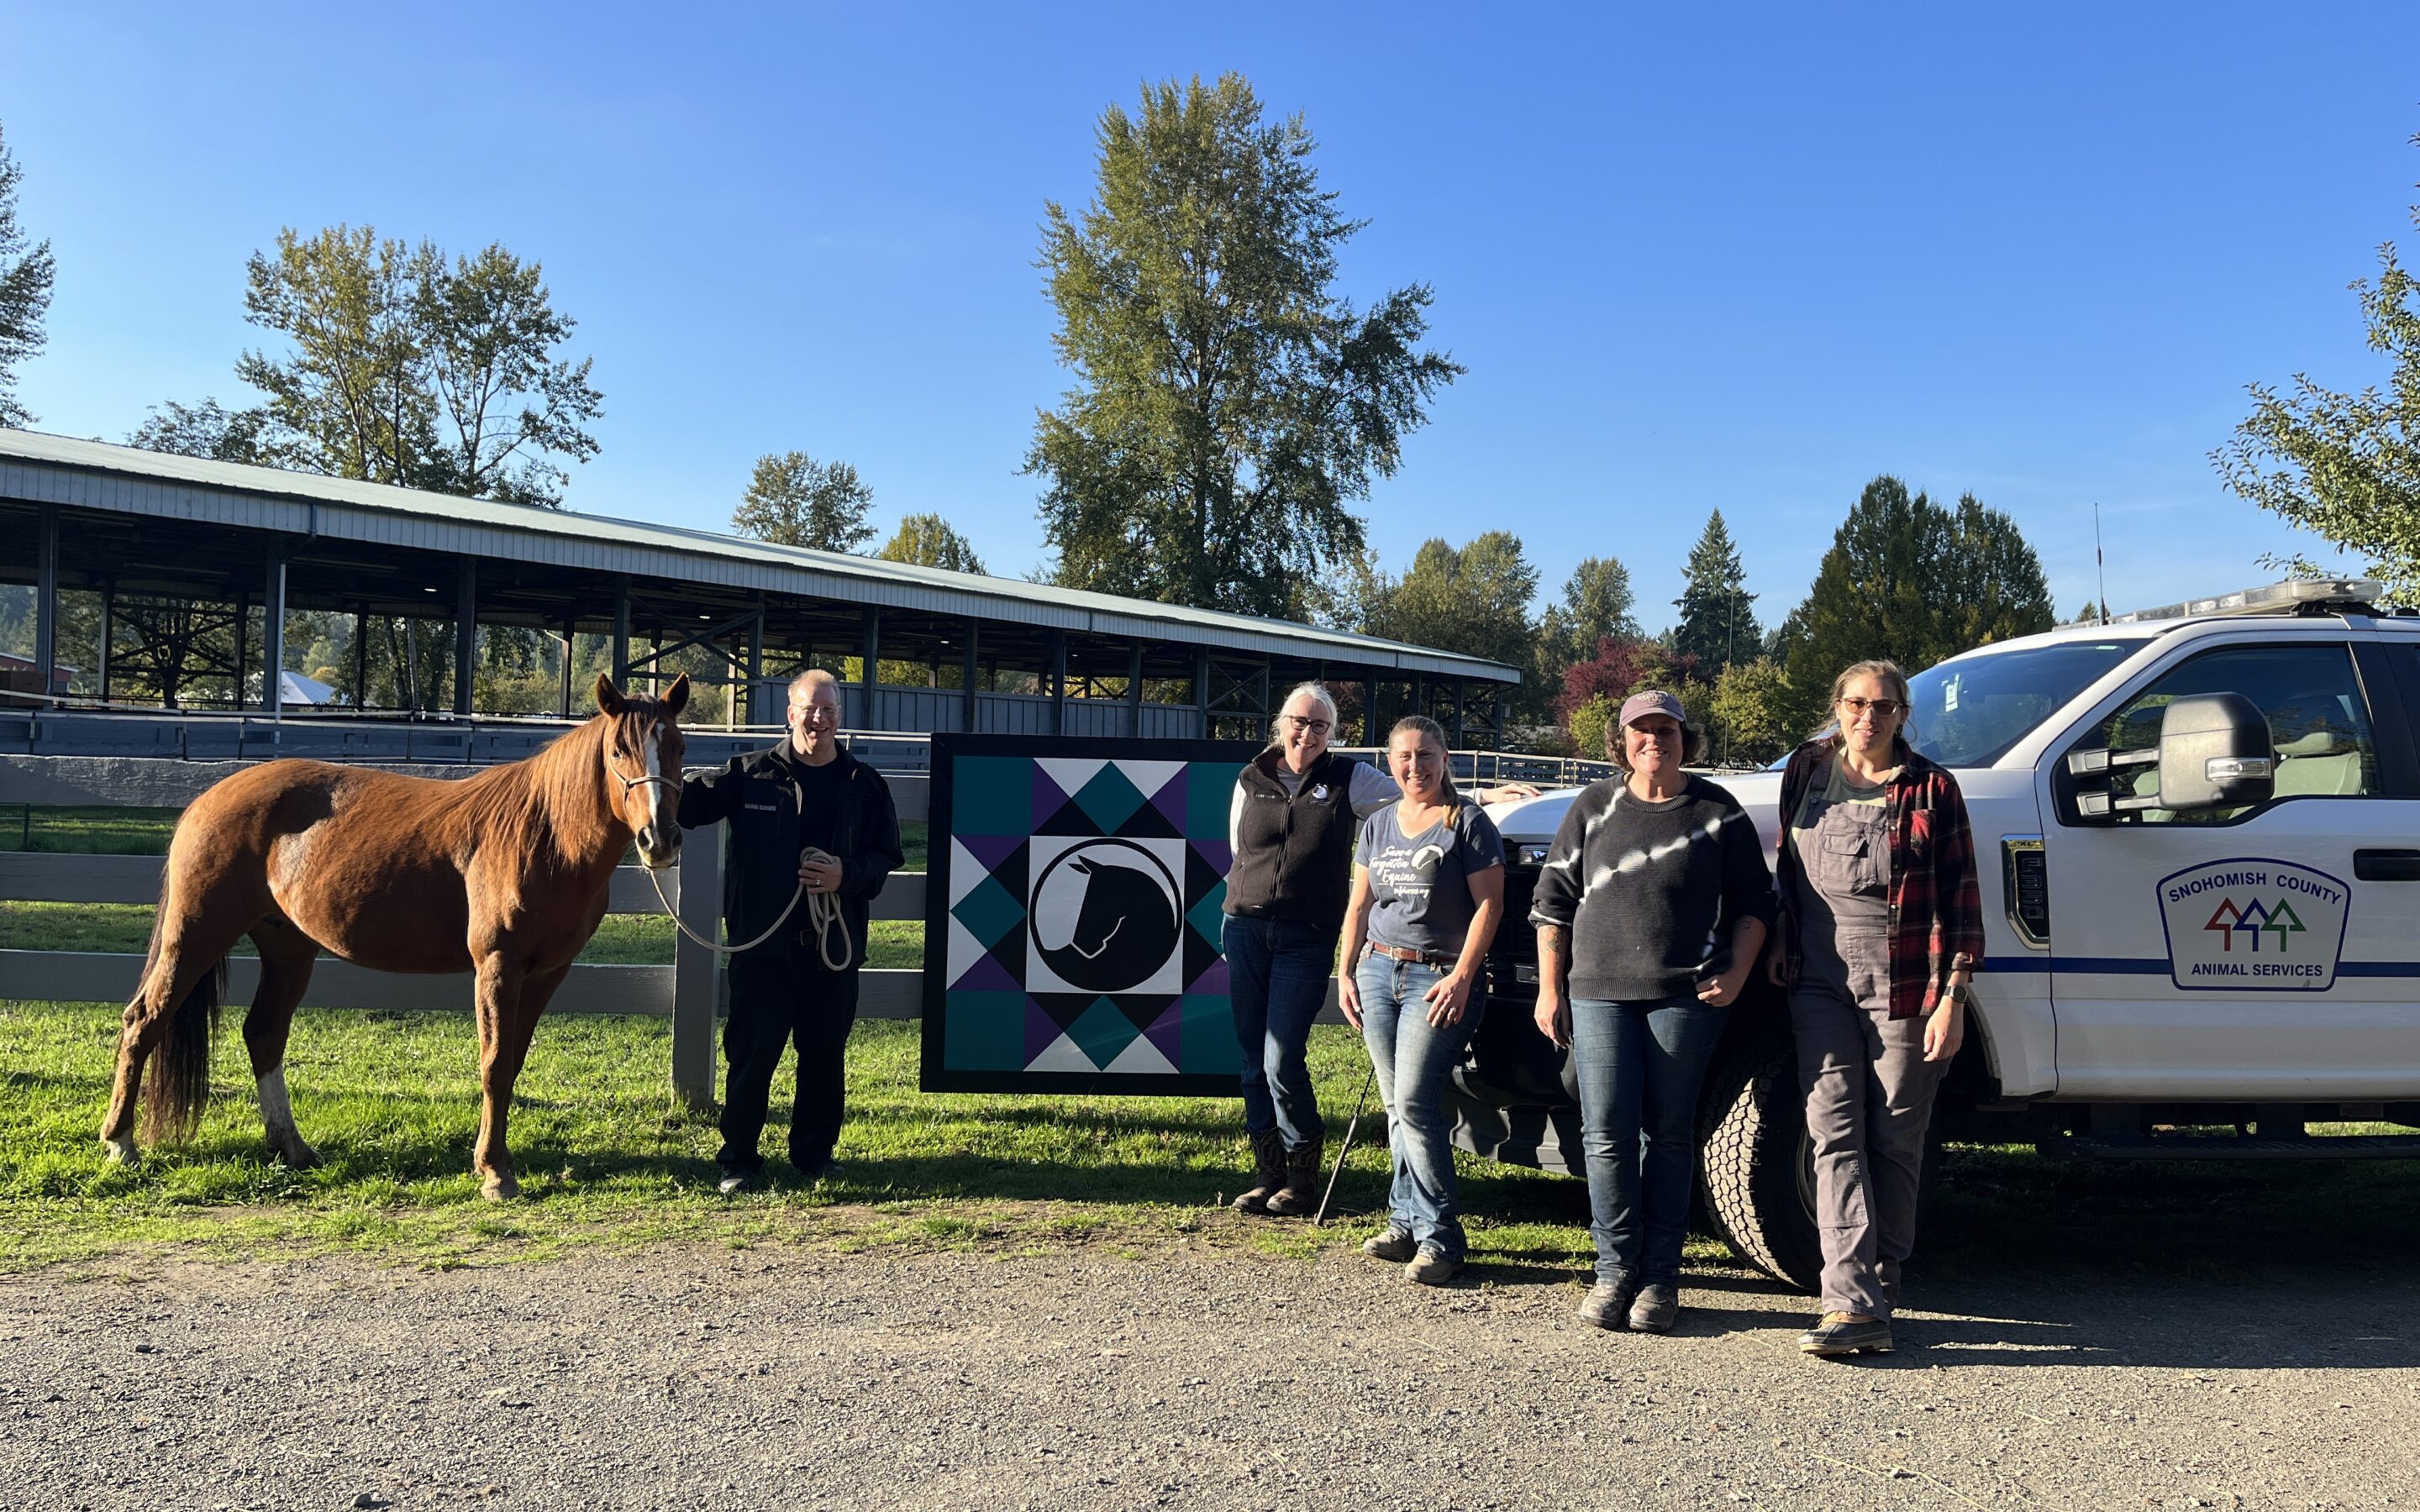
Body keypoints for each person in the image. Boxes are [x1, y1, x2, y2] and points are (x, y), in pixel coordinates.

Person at [1222, 682, 1536, 1215]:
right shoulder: (1251, 778)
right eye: (1300, 721)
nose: (1308, 733)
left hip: (1308, 935)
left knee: (1280, 1059)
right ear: (1282, 723)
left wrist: (1482, 797)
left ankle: (1302, 1172)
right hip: (1246, 929)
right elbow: (1239, 848)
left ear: (1333, 733)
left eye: (1320, 725)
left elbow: (1416, 794)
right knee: (1253, 1060)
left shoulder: (1350, 779)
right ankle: (1267, 1172)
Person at [1531, 690, 1773, 1334]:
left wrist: (1740, 970)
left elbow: (1756, 903)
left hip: (1685, 998)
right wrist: (1550, 990)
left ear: (1683, 737)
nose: (1654, 740)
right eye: (1641, 730)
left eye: (1666, 729)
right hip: (1598, 993)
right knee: (1605, 1135)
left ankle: (1661, 1279)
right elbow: (1552, 903)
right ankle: (1614, 1272)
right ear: (1623, 739)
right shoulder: (1593, 807)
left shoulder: (1716, 810)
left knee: (1669, 1135)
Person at [1767, 659, 1981, 1357]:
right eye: (1856, 704)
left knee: (1894, 1135)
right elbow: (1786, 875)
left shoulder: (1933, 789)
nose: (1869, 717)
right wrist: (1781, 943)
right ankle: (1850, 1301)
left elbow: (1963, 904)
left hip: (1907, 979)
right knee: (1832, 1132)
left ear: (1902, 714)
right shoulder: (1804, 772)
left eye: (1884, 706)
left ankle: (1882, 1280)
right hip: (1819, 977)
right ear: (1837, 708)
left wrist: (1952, 998)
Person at [678, 668, 903, 1195]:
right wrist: (648, 760)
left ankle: (814, 1155)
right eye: (809, 708)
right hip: (763, 948)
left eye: (828, 710)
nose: (819, 719)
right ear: (790, 713)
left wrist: (845, 874)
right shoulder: (749, 774)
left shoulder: (864, 785)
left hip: (833, 948)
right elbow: (684, 805)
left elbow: (886, 856)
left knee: (824, 1053)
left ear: (839, 717)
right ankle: (738, 1159)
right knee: (752, 1054)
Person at [1335, 715, 1507, 1286]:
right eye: (1405, 756)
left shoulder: (1468, 823)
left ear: (1445, 758)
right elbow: (1359, 906)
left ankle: (1442, 1238)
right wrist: (1347, 971)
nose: (1416, 767)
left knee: (1414, 1102)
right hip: (1379, 971)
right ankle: (1404, 1221)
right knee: (1394, 1106)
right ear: (1390, 762)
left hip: (1437, 980)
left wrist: (1462, 977)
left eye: (1426, 755)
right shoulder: (1378, 824)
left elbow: (1491, 908)